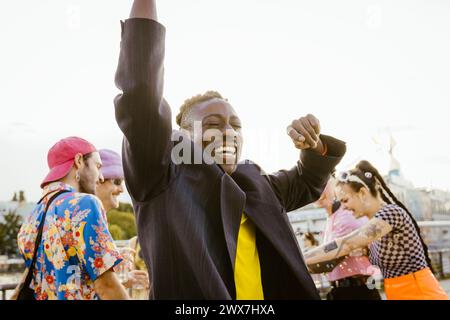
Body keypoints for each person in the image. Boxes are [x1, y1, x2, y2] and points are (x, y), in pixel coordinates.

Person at [114, 0, 346, 299]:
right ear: (182, 135)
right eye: (213, 123)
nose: (228, 133)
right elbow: (141, 93)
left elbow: (308, 181)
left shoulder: (258, 182)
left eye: (236, 126)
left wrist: (315, 146)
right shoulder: (161, 173)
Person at [304, 160, 448, 300]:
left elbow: (347, 244)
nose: (344, 207)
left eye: (345, 200)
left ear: (362, 193)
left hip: (421, 294)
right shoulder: (374, 224)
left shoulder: (390, 213)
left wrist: (301, 257)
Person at [13, 137, 129, 300]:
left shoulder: (32, 217)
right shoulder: (85, 203)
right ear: (79, 161)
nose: (101, 177)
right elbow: (106, 287)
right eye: (97, 166)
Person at [315, 179, 381, 300]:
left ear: (334, 186)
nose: (317, 189)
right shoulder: (332, 216)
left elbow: (333, 254)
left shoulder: (346, 216)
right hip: (344, 290)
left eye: (324, 185)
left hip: (354, 291)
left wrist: (299, 261)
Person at [96, 149, 150, 298]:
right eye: (117, 181)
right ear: (97, 180)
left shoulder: (100, 221)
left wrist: (124, 279)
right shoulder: (87, 220)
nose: (122, 189)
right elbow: (100, 285)